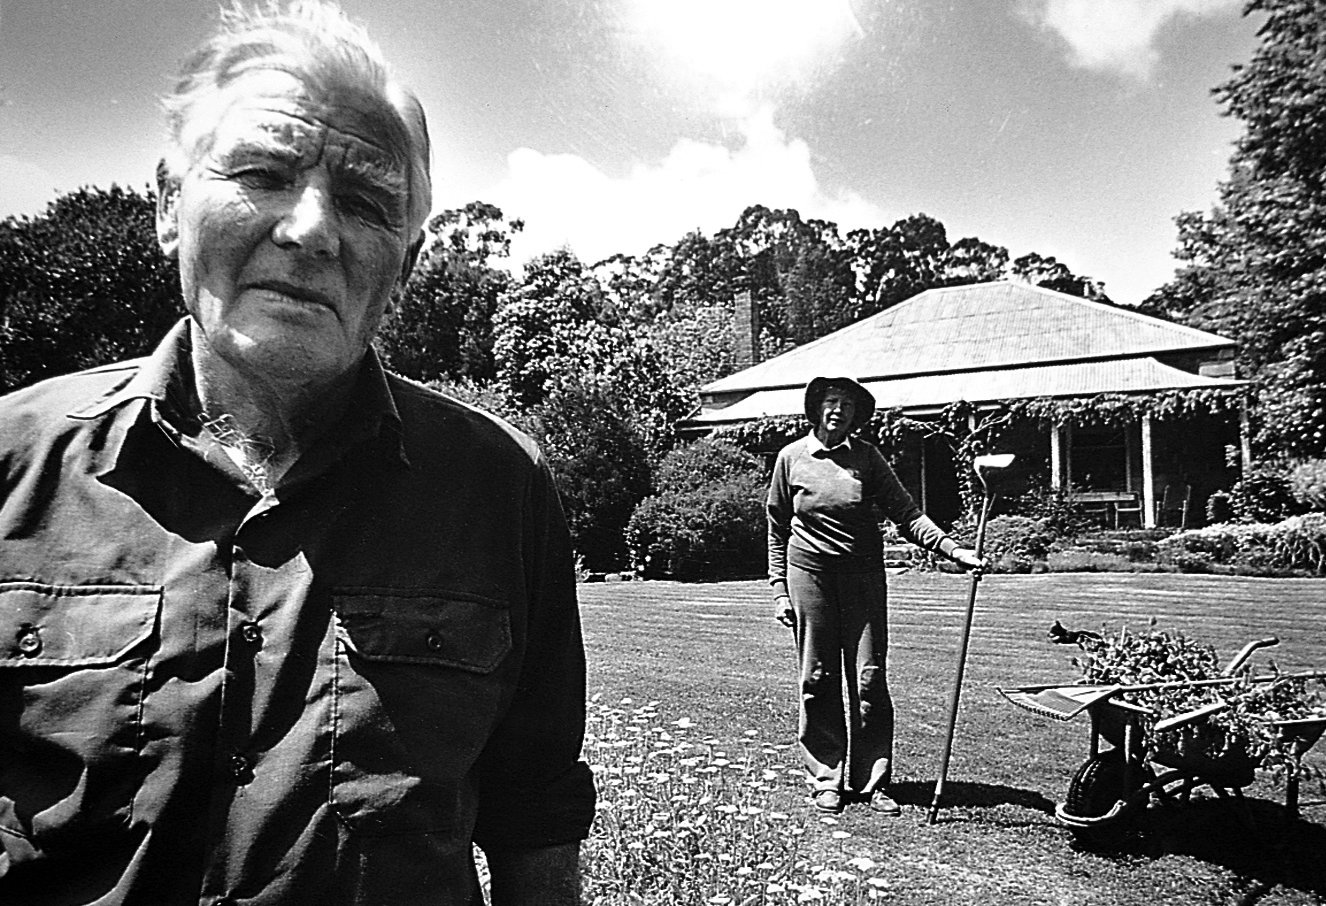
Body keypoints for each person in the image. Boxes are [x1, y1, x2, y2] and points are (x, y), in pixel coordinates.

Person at [0, 3, 594, 904]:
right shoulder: (13, 460)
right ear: (168, 204)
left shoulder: (501, 488)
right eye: (263, 173)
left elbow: (535, 826)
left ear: (408, 259)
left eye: (363, 201)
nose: (312, 227)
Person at [766, 376, 982, 815]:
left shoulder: (867, 457)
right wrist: (779, 591)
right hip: (810, 577)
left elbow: (906, 512)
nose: (837, 411)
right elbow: (776, 527)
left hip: (862, 578)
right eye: (830, 401)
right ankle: (826, 778)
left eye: (846, 404)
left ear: (855, 415)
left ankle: (871, 780)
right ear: (816, 408)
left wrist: (953, 549)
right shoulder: (791, 458)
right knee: (817, 678)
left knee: (868, 678)